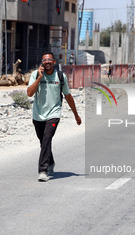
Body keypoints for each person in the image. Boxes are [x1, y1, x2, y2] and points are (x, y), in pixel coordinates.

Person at [27, 52, 82, 182]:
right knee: (43, 141)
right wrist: (39, 78)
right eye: (44, 60)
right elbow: (29, 93)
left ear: (54, 62)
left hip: (54, 113)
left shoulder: (60, 76)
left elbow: (68, 96)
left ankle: (42, 170)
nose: (47, 62)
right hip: (38, 114)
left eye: (49, 60)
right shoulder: (35, 74)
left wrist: (76, 115)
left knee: (47, 139)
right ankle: (50, 162)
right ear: (42, 62)